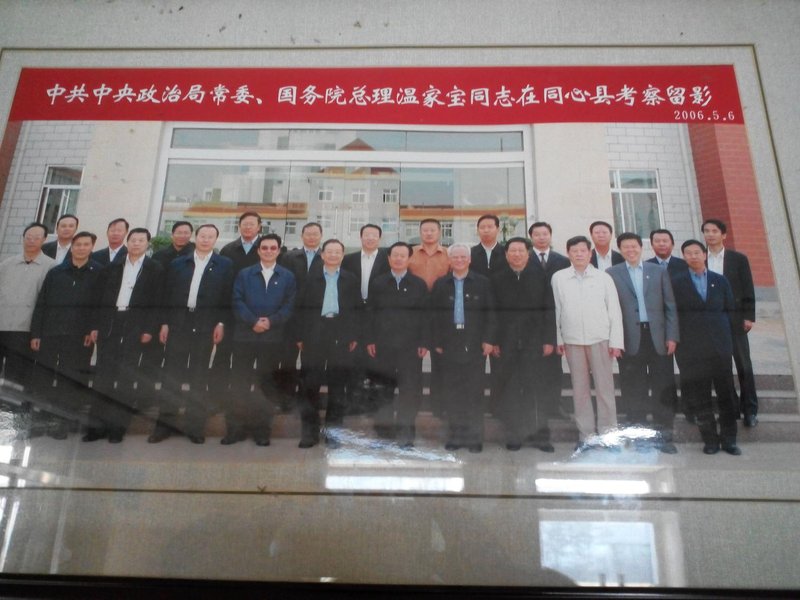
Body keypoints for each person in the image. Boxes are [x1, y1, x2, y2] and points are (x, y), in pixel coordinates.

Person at [151, 224, 234, 444]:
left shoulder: (225, 265)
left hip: (206, 324)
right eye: (202, 236)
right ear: (195, 238)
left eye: (210, 236)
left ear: (216, 240)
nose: (206, 239)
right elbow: (167, 294)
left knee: (199, 376)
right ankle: (164, 426)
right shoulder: (178, 263)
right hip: (178, 322)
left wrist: (221, 323)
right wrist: (164, 323)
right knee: (172, 375)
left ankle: (194, 426)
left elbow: (227, 297)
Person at [87, 228, 164, 443]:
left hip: (135, 325)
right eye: (133, 240)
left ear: (147, 244)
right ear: (127, 242)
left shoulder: (155, 269)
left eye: (141, 240)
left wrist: (148, 329)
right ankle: (95, 427)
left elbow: (157, 302)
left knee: (126, 378)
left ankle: (117, 427)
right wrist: (95, 326)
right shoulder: (112, 267)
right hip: (110, 323)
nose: (136, 243)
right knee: (103, 377)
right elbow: (98, 299)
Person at [607, 232, 679, 453]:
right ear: (620, 250)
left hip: (657, 337)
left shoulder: (658, 271)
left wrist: (672, 336)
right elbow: (610, 310)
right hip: (629, 338)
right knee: (633, 388)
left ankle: (664, 435)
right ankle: (637, 435)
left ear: (641, 248)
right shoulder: (612, 274)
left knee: (662, 386)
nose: (630, 250)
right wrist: (615, 341)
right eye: (625, 247)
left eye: (634, 246)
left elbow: (670, 306)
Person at [551, 235, 624, 451]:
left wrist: (616, 341)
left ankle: (609, 435)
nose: (579, 254)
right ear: (568, 254)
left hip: (600, 339)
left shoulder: (603, 278)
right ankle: (586, 436)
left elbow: (614, 311)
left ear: (590, 253)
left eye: (583, 251)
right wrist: (559, 338)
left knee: (605, 389)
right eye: (574, 251)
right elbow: (557, 310)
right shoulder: (559, 278)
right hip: (573, 340)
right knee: (580, 390)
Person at [225, 234, 296, 446]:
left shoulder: (287, 276)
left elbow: (289, 305)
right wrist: (253, 321)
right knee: (240, 383)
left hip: (272, 338)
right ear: (258, 251)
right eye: (264, 248)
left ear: (279, 251)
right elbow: (237, 300)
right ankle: (235, 430)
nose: (268, 251)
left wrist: (271, 321)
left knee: (267, 386)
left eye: (273, 248)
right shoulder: (244, 274)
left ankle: (262, 431)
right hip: (244, 337)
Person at [30, 231, 102, 439]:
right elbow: (42, 303)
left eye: (86, 244)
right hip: (51, 333)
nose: (81, 248)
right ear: (72, 246)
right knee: (43, 376)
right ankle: (39, 420)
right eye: (77, 244)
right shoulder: (56, 272)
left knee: (71, 379)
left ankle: (62, 422)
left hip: (80, 337)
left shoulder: (99, 273)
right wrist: (36, 333)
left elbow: (100, 305)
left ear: (91, 247)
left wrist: (92, 329)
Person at [671, 239, 741, 455]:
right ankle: (710, 440)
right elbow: (673, 314)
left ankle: (729, 440)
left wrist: (731, 342)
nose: (693, 256)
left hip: (720, 347)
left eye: (696, 252)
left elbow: (731, 311)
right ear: (684, 257)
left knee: (726, 394)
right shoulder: (677, 282)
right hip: (693, 349)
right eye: (688, 253)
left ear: (704, 255)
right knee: (701, 397)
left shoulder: (720, 281)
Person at [491, 237, 556, 451]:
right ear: (506, 254)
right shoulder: (497, 278)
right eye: (513, 251)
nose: (517, 254)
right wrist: (494, 340)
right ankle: (514, 434)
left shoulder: (540, 276)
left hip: (534, 342)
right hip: (506, 342)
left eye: (521, 251)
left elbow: (548, 310)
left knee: (535, 389)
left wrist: (549, 340)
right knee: (510, 390)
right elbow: (492, 312)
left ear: (528, 254)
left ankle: (540, 436)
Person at [294, 239, 360, 448]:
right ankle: (309, 433)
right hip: (314, 333)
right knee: (309, 385)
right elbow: (299, 308)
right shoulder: (309, 278)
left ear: (342, 255)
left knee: (338, 386)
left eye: (337, 252)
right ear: (322, 255)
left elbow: (356, 310)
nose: (333, 255)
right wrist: (299, 336)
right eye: (329, 251)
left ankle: (333, 433)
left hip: (340, 333)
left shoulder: (350, 279)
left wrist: (353, 336)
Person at [430, 243, 496, 453]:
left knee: (474, 391)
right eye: (455, 257)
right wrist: (436, 341)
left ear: (469, 260)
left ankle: (474, 437)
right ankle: (455, 436)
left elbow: (491, 313)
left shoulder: (482, 283)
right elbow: (433, 315)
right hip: (449, 341)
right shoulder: (441, 284)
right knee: (452, 391)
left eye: (462, 257)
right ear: (449, 260)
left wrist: (488, 340)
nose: (459, 260)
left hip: (475, 341)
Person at [365, 241, 429, 447]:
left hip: (410, 347)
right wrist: (370, 339)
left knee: (410, 390)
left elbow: (425, 316)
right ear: (389, 258)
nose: (399, 259)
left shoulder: (419, 284)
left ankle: (406, 430)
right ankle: (383, 430)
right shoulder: (378, 283)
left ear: (409, 259)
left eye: (403, 255)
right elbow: (370, 312)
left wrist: (424, 341)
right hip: (382, 345)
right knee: (382, 388)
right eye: (395, 255)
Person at [702, 218, 758, 427]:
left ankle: (750, 410)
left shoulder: (738, 259)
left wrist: (748, 316)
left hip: (735, 321)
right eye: (707, 231)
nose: (710, 234)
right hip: (712, 323)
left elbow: (747, 287)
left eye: (714, 231)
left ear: (723, 235)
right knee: (721, 368)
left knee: (744, 365)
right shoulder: (700, 258)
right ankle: (731, 409)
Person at [0, 223, 55, 435]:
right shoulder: (7, 264)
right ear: (23, 238)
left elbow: (47, 302)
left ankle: (13, 421)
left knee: (18, 375)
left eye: (36, 237)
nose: (31, 240)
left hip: (26, 329)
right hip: (2, 324)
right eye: (28, 236)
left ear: (44, 240)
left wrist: (38, 332)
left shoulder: (51, 266)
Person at [341, 223, 390, 413]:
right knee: (353, 358)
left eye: (374, 235)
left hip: (377, 314)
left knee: (375, 358)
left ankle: (373, 404)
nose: (370, 238)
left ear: (379, 238)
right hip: (354, 312)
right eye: (366, 235)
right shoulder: (349, 259)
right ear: (361, 237)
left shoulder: (387, 259)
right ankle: (354, 403)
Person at [528, 221, 571, 419]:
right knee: (532, 365)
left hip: (555, 318)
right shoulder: (525, 258)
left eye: (545, 234)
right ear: (531, 237)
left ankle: (554, 405)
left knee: (554, 366)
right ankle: (535, 405)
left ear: (550, 236)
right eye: (537, 234)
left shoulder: (562, 261)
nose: (541, 237)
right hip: (531, 319)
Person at [408, 218, 450, 415]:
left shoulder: (449, 254)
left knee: (441, 360)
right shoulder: (410, 253)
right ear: (420, 232)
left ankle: (439, 405)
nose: (429, 233)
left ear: (439, 232)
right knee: (414, 359)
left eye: (433, 230)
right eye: (425, 230)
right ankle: (413, 404)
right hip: (415, 313)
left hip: (442, 313)